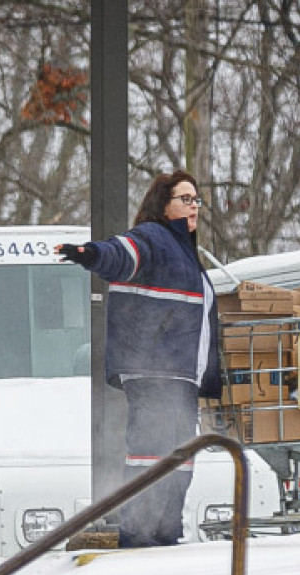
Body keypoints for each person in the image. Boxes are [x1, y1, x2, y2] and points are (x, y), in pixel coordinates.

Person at [55, 169, 221, 548]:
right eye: (185, 198)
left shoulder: (185, 251)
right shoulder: (154, 237)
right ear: (163, 205)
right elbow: (120, 255)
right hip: (153, 368)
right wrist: (89, 254)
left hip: (179, 374)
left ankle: (164, 530)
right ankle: (138, 532)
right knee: (151, 449)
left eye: (197, 200)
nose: (194, 206)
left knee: (181, 454)